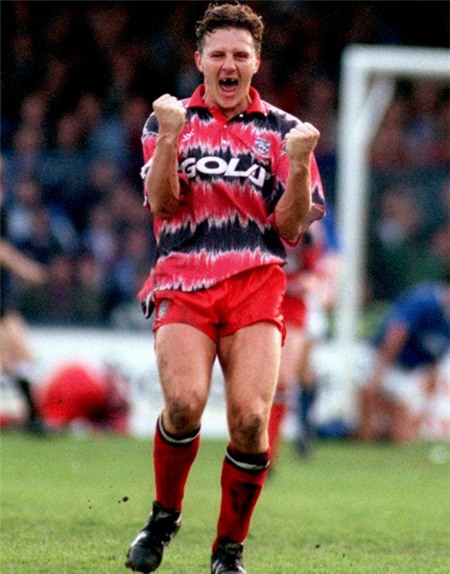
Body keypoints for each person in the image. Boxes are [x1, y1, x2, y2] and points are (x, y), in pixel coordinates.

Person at [126, 3, 325, 574]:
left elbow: (290, 229)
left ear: (257, 62)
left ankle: (228, 551)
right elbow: (162, 203)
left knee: (251, 421)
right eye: (218, 54)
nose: (229, 65)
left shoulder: (286, 132)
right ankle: (164, 516)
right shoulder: (167, 119)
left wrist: (298, 165)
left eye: (240, 54)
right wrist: (169, 138)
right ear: (199, 60)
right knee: (184, 404)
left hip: (256, 283)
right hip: (184, 278)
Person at [357, 282, 450, 443]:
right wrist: (377, 376)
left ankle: (383, 430)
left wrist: (426, 407)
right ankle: (364, 439)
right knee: (369, 409)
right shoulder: (424, 301)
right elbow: (396, 334)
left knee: (400, 435)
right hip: (382, 358)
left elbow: (435, 362)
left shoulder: (445, 322)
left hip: (405, 370)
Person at [0, 238, 48, 433]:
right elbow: (4, 253)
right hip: (4, 311)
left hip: (4, 310)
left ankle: (33, 417)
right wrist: (27, 270)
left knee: (19, 359)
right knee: (13, 359)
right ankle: (33, 417)